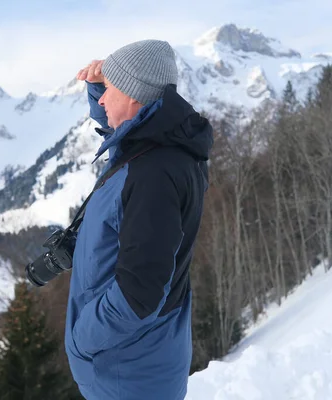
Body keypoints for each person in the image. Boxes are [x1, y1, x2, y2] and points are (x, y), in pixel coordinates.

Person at [64, 39, 213, 400]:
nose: (101, 101)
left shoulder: (151, 177)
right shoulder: (163, 147)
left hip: (127, 373)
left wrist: (83, 339)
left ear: (134, 96)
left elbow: (137, 295)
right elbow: (127, 134)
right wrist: (103, 81)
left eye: (109, 91)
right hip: (144, 361)